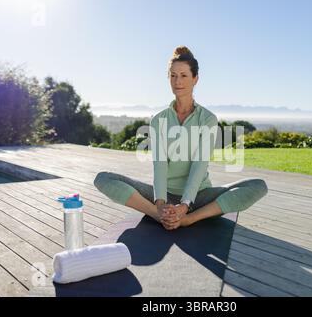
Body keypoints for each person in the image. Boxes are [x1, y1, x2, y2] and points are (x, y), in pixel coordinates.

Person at [94, 46, 268, 230]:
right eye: (173, 75)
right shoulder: (158, 120)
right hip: (163, 194)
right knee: (103, 179)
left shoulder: (207, 119)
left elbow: (199, 165)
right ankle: (158, 215)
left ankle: (190, 219)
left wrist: (185, 207)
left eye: (184, 75)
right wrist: (160, 205)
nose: (178, 81)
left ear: (195, 79)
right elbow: (160, 165)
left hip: (199, 196)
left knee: (258, 186)